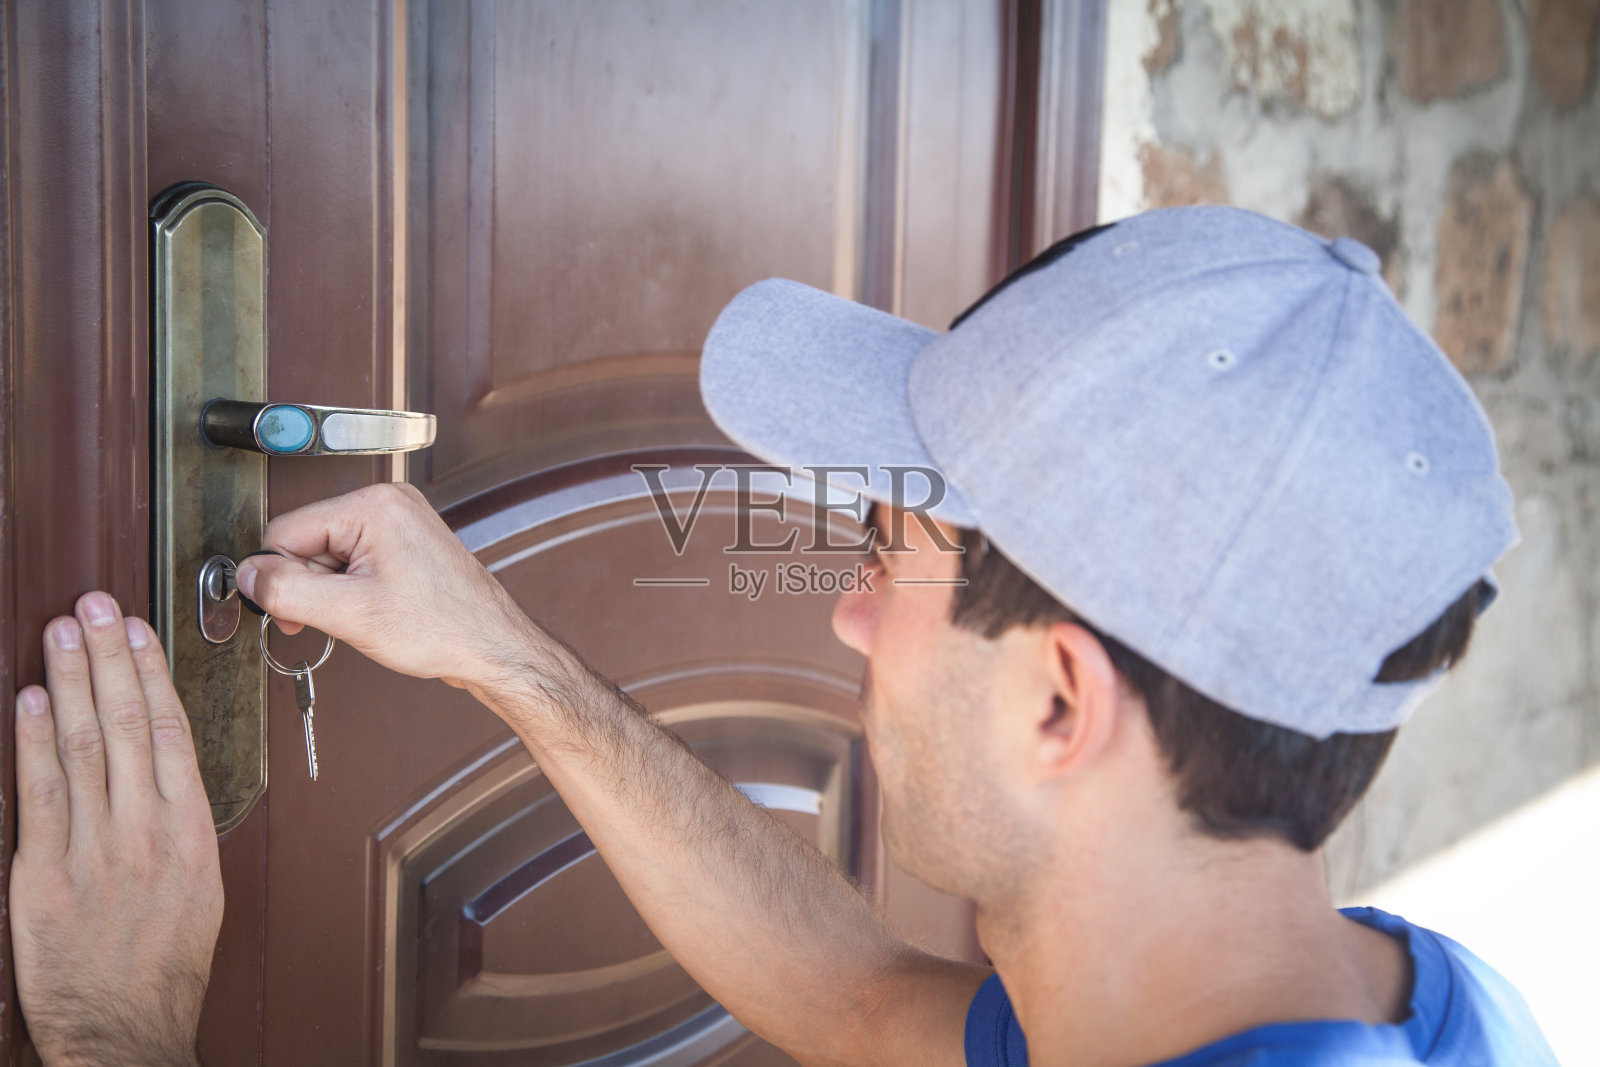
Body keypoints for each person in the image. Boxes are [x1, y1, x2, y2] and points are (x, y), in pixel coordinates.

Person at [11, 207, 1560, 1066]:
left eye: (892, 554)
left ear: (1058, 706)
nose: (850, 608)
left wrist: (107, 1036)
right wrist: (508, 655)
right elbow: (861, 1005)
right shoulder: (1395, 1011)